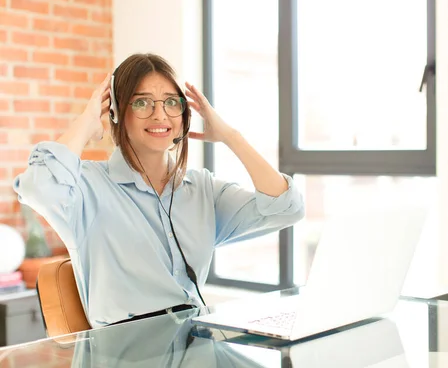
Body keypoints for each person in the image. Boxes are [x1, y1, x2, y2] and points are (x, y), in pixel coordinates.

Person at [13, 53, 305, 328]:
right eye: (142, 103)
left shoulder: (202, 189)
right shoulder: (86, 185)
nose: (159, 114)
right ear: (116, 113)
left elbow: (287, 208)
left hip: (195, 349)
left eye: (171, 102)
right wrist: (86, 123)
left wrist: (231, 136)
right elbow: (38, 188)